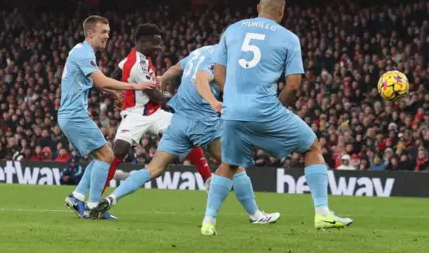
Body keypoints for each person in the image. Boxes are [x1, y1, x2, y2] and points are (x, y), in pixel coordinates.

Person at [201, 0, 353, 236]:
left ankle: (209, 221)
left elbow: (218, 74)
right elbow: (293, 85)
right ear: (282, 10)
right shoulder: (289, 38)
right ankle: (323, 214)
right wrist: (276, 108)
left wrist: (232, 100)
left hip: (232, 110)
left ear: (257, 6)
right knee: (311, 146)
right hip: (264, 109)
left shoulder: (232, 29)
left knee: (228, 164)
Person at [93, 44, 280, 225]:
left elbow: (176, 68)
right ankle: (255, 215)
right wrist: (213, 102)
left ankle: (111, 199)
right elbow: (200, 80)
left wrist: (161, 79)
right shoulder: (220, 59)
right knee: (234, 165)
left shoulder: (201, 51)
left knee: (154, 168)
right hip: (203, 121)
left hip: (179, 119)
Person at [60, 15, 158, 219]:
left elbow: (94, 83)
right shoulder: (83, 52)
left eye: (108, 31)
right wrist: (135, 85)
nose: (108, 35)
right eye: (103, 32)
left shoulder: (83, 52)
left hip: (73, 114)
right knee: (106, 155)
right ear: (90, 33)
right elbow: (101, 81)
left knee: (101, 155)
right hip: (73, 114)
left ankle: (77, 196)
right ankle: (93, 206)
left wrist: (114, 93)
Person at [102, 24, 212, 194]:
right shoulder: (137, 64)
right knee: (119, 150)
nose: (159, 48)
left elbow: (119, 70)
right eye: (156, 44)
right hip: (136, 114)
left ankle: (208, 179)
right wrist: (178, 97)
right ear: (142, 43)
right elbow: (156, 96)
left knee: (186, 132)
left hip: (154, 112)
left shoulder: (138, 59)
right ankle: (97, 197)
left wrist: (118, 92)